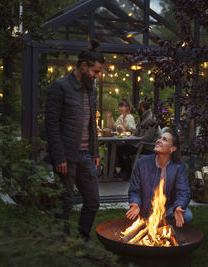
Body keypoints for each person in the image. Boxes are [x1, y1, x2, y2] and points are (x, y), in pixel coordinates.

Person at [45, 40, 104, 241]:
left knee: (93, 201)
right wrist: (59, 157)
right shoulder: (59, 87)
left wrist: (95, 152)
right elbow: (51, 126)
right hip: (66, 157)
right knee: (65, 202)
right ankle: (63, 242)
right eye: (95, 72)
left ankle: (82, 237)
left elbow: (91, 125)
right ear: (83, 65)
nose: (97, 76)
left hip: (86, 155)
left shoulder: (91, 89)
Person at [126, 128, 193, 227]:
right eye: (160, 138)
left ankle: (167, 230)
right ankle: (149, 223)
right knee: (132, 215)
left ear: (172, 149)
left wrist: (178, 207)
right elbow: (134, 190)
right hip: (144, 210)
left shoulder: (178, 167)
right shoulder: (142, 163)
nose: (158, 141)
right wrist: (136, 204)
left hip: (167, 212)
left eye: (165, 140)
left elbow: (183, 192)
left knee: (187, 215)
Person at [116, 99, 158, 180]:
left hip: (147, 146)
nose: (137, 108)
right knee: (119, 148)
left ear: (142, 107)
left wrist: (136, 140)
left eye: (138, 106)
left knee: (126, 152)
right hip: (139, 143)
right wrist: (131, 136)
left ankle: (127, 174)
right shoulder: (142, 117)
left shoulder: (151, 119)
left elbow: (148, 137)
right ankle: (122, 171)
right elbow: (137, 132)